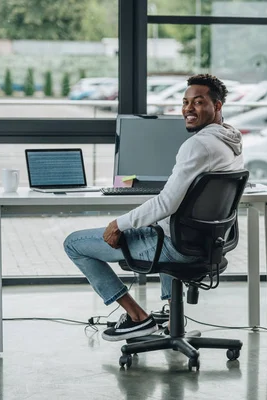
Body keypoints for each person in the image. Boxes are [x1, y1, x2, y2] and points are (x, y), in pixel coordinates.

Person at [64, 74, 244, 341]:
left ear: (217, 106)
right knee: (160, 224)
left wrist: (118, 224)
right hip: (208, 243)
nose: (188, 109)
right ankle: (173, 319)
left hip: (177, 247)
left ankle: (138, 318)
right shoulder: (232, 142)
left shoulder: (198, 145)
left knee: (74, 244)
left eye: (198, 102)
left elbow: (165, 202)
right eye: (185, 102)